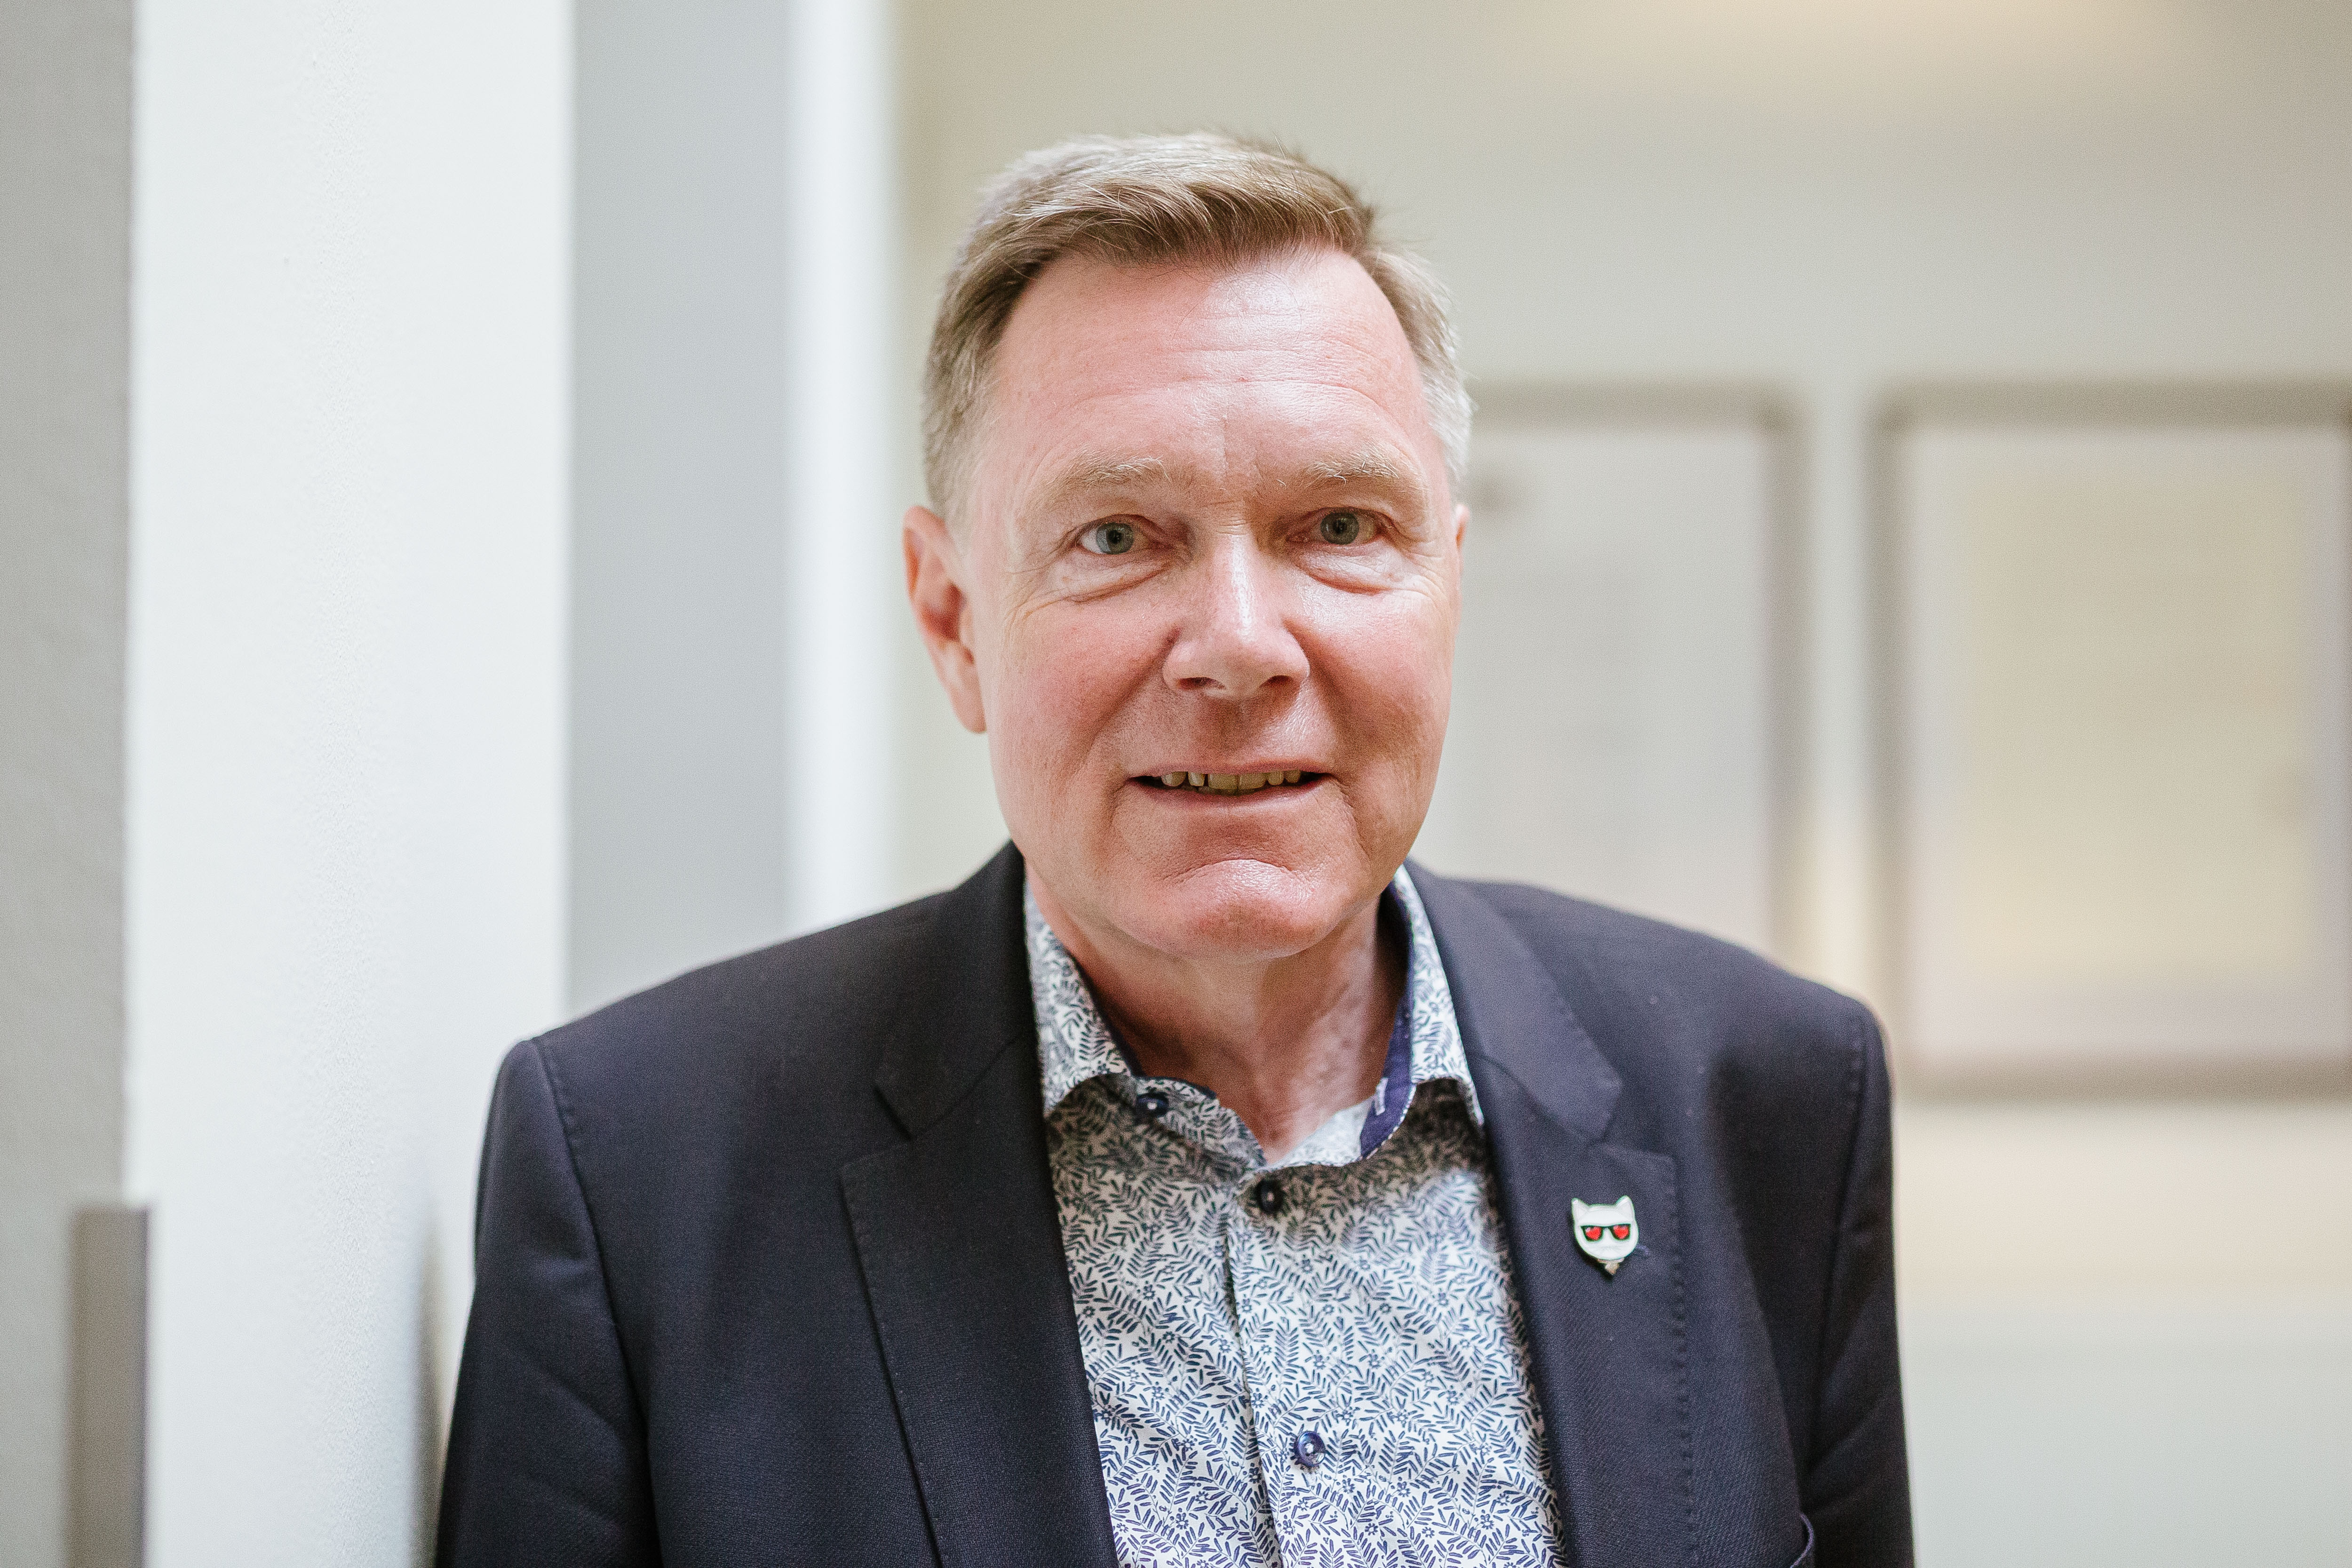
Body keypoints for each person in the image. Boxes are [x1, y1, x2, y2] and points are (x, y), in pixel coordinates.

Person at [437, 133, 1911, 1568]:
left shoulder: (1765, 1100)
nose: (1240, 645)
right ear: (953, 621)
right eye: (1116, 538)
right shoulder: (641, 1173)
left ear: (1449, 587)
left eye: (1339, 525)